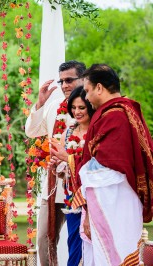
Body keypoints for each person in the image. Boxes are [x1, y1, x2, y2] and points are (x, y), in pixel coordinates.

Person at [52, 64, 153, 265]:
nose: (87, 98)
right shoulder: (123, 110)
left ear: (99, 88)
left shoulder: (114, 115)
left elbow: (103, 168)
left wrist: (69, 159)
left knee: (112, 256)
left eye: (88, 91)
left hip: (113, 200)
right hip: (116, 198)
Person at [25, 60, 85, 265]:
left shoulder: (90, 109)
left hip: (79, 185)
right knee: (44, 237)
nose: (65, 85)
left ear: (83, 79)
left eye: (69, 80)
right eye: (61, 81)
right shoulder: (53, 107)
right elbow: (31, 131)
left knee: (79, 239)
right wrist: (40, 103)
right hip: (53, 185)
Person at [49, 86, 94, 266]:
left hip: (92, 194)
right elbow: (62, 168)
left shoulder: (96, 132)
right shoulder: (68, 132)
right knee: (74, 243)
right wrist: (57, 167)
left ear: (90, 107)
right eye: (73, 108)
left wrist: (67, 158)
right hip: (72, 195)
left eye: (81, 107)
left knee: (93, 241)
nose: (76, 112)